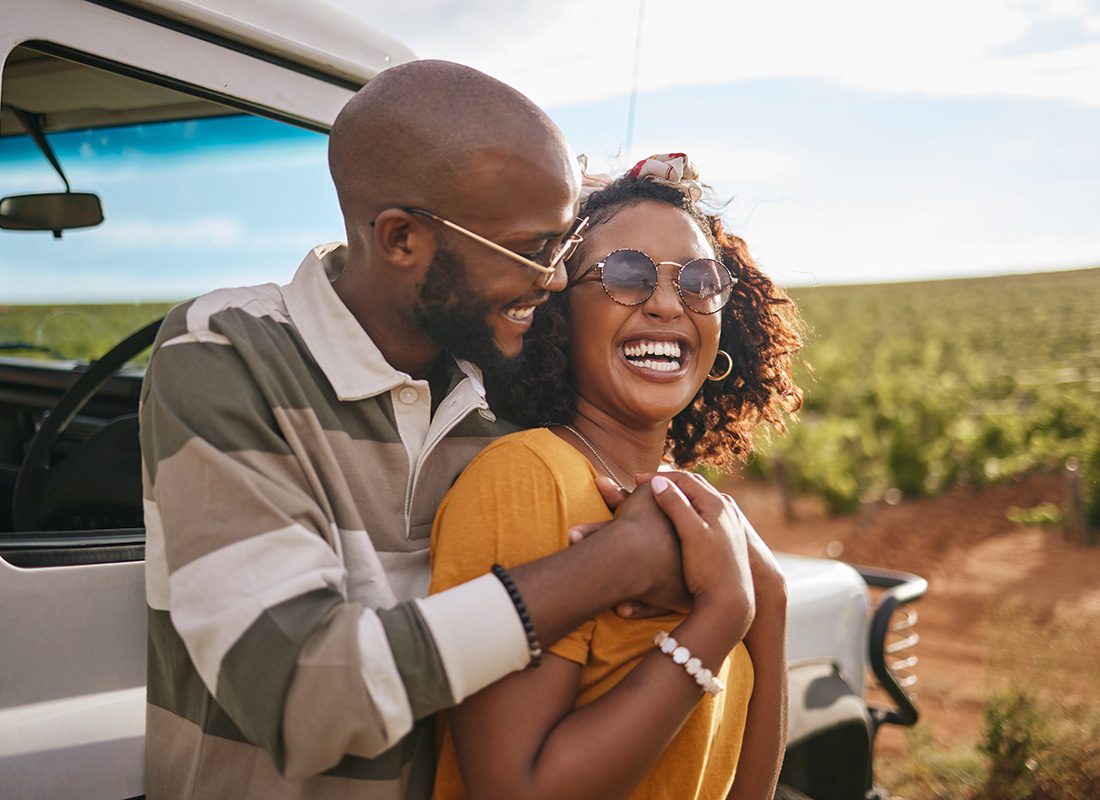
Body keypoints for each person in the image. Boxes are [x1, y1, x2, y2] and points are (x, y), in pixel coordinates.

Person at [139, 65, 734, 800]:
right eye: (531, 248)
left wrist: (738, 576)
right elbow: (302, 698)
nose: (553, 279)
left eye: (562, 245)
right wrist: (614, 566)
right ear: (400, 239)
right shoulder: (227, 354)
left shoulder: (507, 386)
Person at [429, 154, 804, 799]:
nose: (666, 303)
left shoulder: (689, 505)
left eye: (699, 279)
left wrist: (768, 603)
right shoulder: (527, 480)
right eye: (626, 274)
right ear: (556, 313)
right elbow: (514, 789)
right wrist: (721, 616)